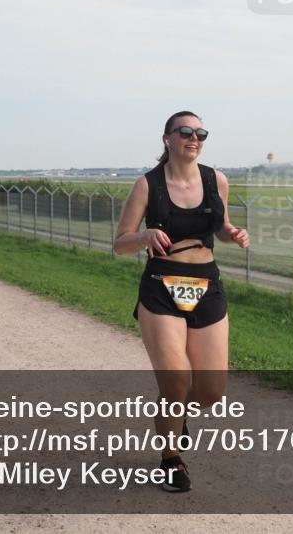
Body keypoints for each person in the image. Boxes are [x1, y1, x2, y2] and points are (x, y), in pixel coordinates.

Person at [113, 111, 248, 493]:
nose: (194, 138)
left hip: (207, 284)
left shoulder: (216, 179)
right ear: (167, 138)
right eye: (185, 131)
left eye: (200, 132)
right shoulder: (147, 185)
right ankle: (170, 459)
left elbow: (219, 226)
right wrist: (144, 236)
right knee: (175, 381)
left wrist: (233, 233)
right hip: (161, 285)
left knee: (210, 392)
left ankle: (177, 413)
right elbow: (120, 241)